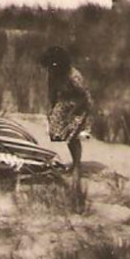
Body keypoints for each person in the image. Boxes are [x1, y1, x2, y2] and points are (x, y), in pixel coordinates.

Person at [40, 46, 93, 180]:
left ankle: (77, 166)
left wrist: (73, 113)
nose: (50, 69)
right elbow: (52, 91)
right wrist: (52, 108)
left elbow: (84, 95)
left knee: (73, 136)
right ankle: (75, 164)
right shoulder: (52, 73)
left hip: (78, 105)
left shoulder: (73, 75)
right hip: (64, 104)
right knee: (63, 135)